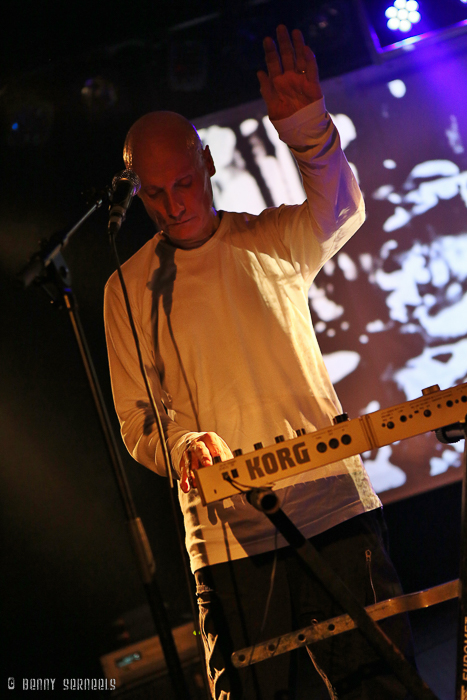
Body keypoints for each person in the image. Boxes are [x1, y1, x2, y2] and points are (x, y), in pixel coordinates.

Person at [104, 25, 414, 700]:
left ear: (207, 165)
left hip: (331, 506)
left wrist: (304, 125)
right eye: (154, 193)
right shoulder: (125, 289)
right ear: (135, 190)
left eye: (184, 181)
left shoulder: (268, 239)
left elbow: (338, 208)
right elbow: (136, 420)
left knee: (379, 686)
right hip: (224, 539)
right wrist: (182, 442)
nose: (174, 202)